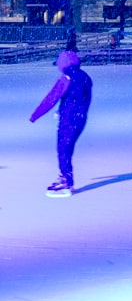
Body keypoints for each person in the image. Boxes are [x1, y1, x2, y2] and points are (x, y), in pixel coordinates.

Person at [30, 47, 93, 197]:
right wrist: (71, 111)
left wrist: (35, 115)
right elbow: (83, 98)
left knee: (63, 148)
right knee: (68, 147)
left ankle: (65, 181)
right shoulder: (85, 77)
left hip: (69, 118)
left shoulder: (66, 79)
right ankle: (65, 176)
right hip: (81, 117)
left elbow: (51, 98)